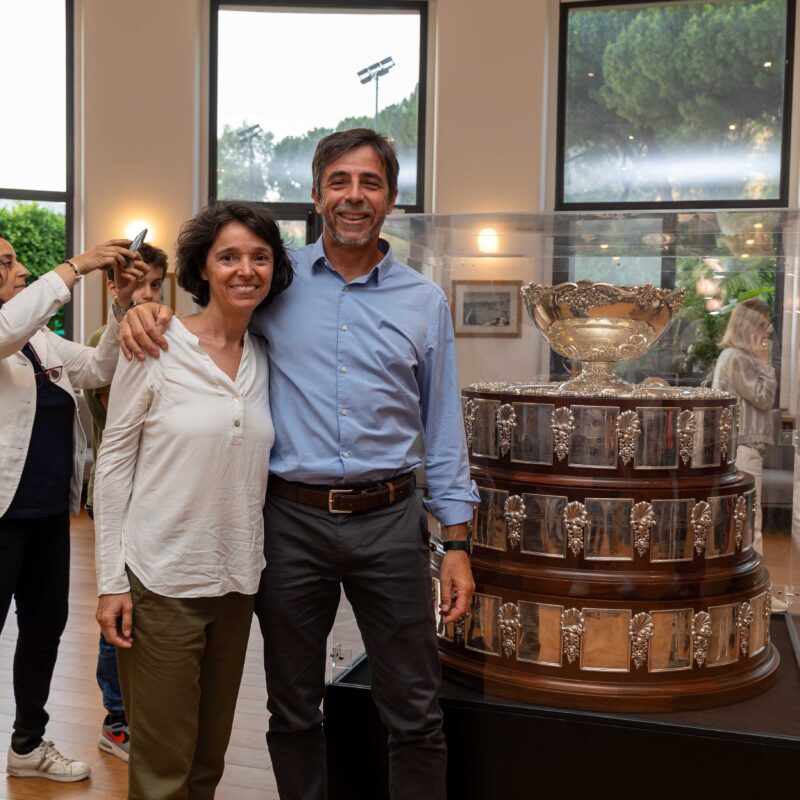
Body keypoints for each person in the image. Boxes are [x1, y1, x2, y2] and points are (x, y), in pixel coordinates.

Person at [121, 128, 478, 800]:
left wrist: (455, 542)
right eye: (339, 181)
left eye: (370, 183)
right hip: (290, 524)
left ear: (391, 199)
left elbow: (443, 429)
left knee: (415, 710)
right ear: (316, 195)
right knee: (292, 708)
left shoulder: (424, 302)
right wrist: (139, 310)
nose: (354, 196)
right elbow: (209, 323)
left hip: (391, 522)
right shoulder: (274, 286)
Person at [94, 202, 293, 800]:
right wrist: (110, 582)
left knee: (208, 764)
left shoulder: (265, 355)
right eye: (228, 256)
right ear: (202, 268)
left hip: (236, 582)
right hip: (161, 583)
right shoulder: (155, 343)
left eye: (260, 257)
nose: (245, 270)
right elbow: (113, 463)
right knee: (162, 773)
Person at [0, 233, 145, 782]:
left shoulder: (39, 340)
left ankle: (27, 745)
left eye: (17, 261)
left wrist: (121, 306)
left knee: (44, 630)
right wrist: (78, 265)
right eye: (7, 263)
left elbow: (99, 369)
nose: (20, 270)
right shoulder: (11, 332)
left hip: (46, 515)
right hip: (1, 519)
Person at [84, 243, 168, 762]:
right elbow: (134, 424)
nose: (147, 294)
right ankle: (116, 720)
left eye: (155, 284)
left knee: (149, 610)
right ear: (113, 286)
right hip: (117, 497)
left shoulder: (163, 336)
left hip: (153, 498)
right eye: (136, 284)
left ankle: (141, 710)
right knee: (119, 610)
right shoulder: (108, 340)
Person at [712, 298, 777, 555]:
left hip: (737, 447)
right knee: (750, 521)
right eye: (762, 324)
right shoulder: (738, 358)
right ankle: (756, 578)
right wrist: (764, 363)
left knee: (739, 519)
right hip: (743, 448)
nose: (768, 330)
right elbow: (764, 398)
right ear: (747, 326)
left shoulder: (733, 356)